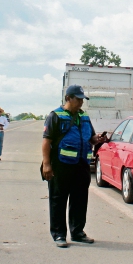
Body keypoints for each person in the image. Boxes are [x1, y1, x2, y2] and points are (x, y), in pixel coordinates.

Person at [42, 85, 107, 248]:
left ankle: (77, 232)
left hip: (82, 165)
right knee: (58, 200)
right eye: (77, 99)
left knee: (80, 199)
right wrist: (47, 164)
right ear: (68, 98)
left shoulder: (84, 117)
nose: (80, 103)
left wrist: (97, 139)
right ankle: (59, 234)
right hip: (61, 164)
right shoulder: (55, 116)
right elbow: (46, 141)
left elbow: (90, 138)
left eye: (82, 99)